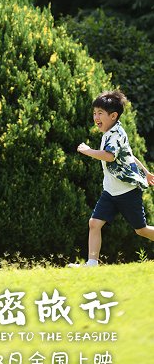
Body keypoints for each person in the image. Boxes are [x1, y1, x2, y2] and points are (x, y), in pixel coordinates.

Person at [71, 89, 154, 267]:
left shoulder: (116, 134)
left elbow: (109, 156)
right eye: (94, 113)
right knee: (94, 223)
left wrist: (87, 151)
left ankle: (92, 263)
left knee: (141, 230)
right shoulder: (112, 132)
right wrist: (146, 172)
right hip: (110, 191)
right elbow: (129, 155)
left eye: (100, 113)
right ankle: (91, 264)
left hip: (127, 192)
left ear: (114, 116)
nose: (96, 117)